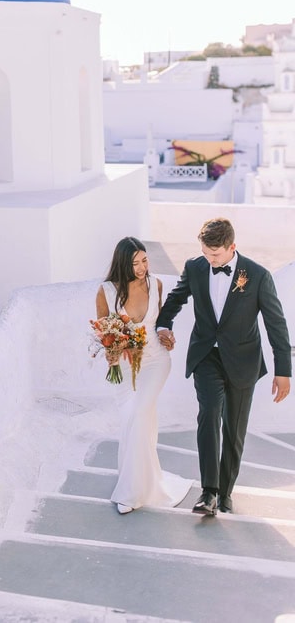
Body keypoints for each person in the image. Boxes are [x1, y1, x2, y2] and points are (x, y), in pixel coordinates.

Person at [156, 217, 292, 516]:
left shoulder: (257, 275)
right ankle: (209, 491)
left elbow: (276, 324)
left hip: (243, 361)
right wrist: (163, 324)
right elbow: (176, 299)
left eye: (215, 255)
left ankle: (226, 493)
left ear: (232, 247)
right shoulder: (195, 266)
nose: (210, 260)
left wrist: (284, 370)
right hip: (206, 356)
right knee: (209, 414)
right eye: (205, 253)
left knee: (234, 428)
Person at [96, 236, 193, 514]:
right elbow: (103, 332)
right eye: (135, 263)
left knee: (138, 414)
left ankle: (130, 493)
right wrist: (113, 352)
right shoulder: (106, 291)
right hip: (125, 368)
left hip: (155, 362)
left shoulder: (156, 284)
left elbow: (160, 322)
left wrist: (166, 334)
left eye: (145, 260)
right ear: (123, 263)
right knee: (135, 419)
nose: (142, 267)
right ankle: (144, 480)